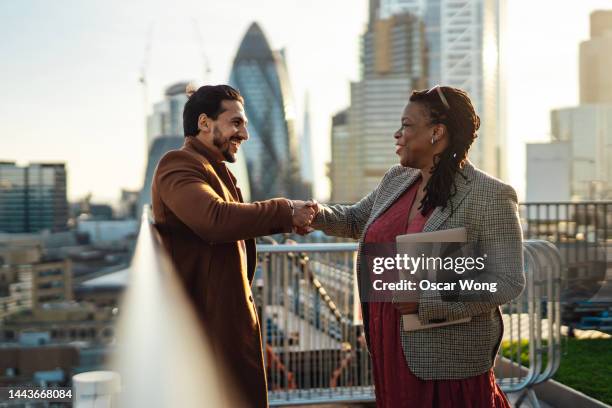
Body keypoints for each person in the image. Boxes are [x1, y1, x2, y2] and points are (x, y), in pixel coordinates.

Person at [309, 86, 525, 407]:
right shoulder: (397, 178)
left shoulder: (490, 195)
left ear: (437, 132)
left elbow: (507, 280)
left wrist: (426, 300)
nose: (398, 135)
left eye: (407, 126)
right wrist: (313, 213)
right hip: (389, 343)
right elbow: (356, 220)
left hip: (448, 357)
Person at [151, 84, 316, 408]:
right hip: (203, 333)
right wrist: (284, 211)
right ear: (204, 123)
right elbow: (214, 219)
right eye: (236, 123)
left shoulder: (217, 172)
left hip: (224, 325)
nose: (245, 134)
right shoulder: (178, 164)